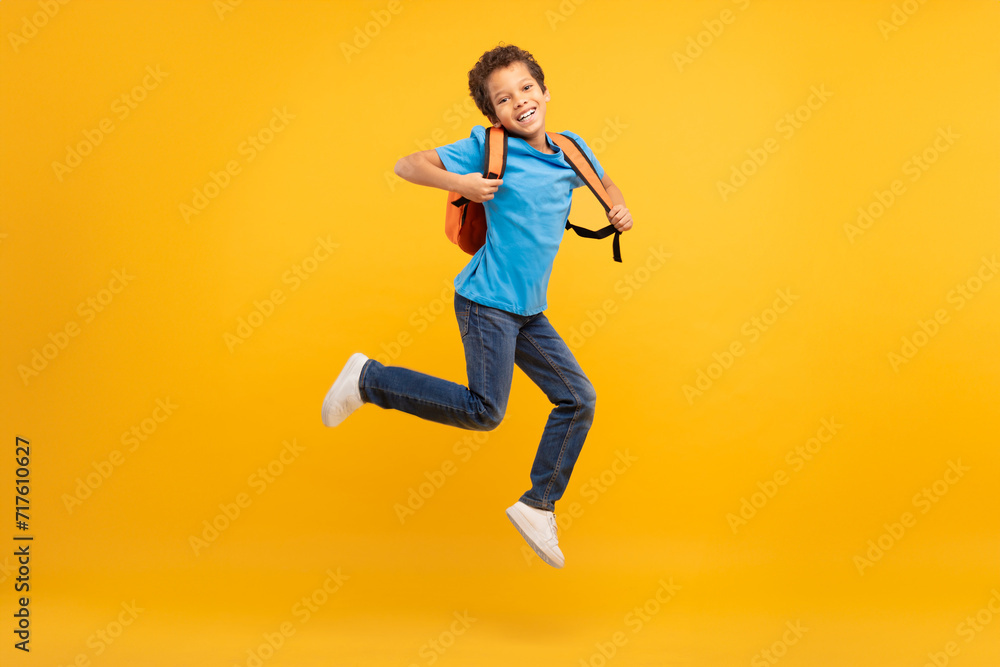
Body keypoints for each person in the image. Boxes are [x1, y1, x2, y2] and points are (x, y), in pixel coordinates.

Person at [321, 44, 633, 568]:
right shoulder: (490, 147)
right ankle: (367, 379)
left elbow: (607, 183)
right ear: (494, 115)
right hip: (486, 302)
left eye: (527, 89)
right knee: (485, 410)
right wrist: (459, 182)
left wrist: (616, 204)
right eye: (504, 99)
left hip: (527, 311)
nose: (520, 102)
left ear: (545, 91)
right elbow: (407, 164)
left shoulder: (571, 147)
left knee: (579, 399)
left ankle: (538, 505)